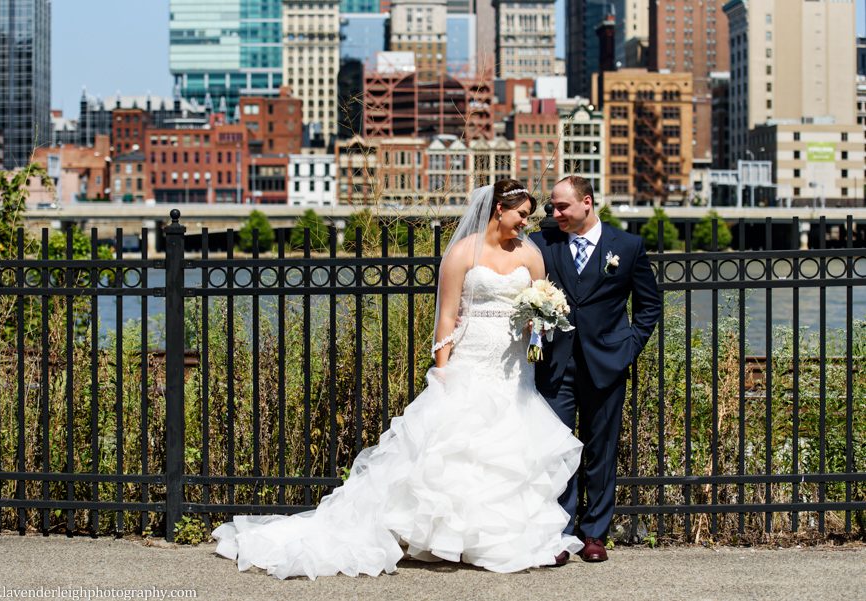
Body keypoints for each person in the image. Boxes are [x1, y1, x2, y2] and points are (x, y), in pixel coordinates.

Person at [212, 179, 584, 579]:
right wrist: (442, 369)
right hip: (472, 359)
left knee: (508, 450)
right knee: (460, 449)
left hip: (514, 368)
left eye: (528, 216)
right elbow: (446, 316)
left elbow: (539, 305)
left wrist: (541, 320)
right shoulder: (462, 253)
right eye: (521, 215)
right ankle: (453, 538)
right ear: (499, 210)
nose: (525, 223)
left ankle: (498, 540)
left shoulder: (529, 254)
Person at [530, 175, 661, 563]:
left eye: (561, 207)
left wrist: (628, 347)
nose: (555, 214)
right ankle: (561, 534)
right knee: (558, 451)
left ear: (587, 203)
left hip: (607, 363)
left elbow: (649, 305)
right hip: (556, 365)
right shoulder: (542, 243)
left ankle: (594, 535)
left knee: (601, 450)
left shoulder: (628, 246)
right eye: (552, 206)